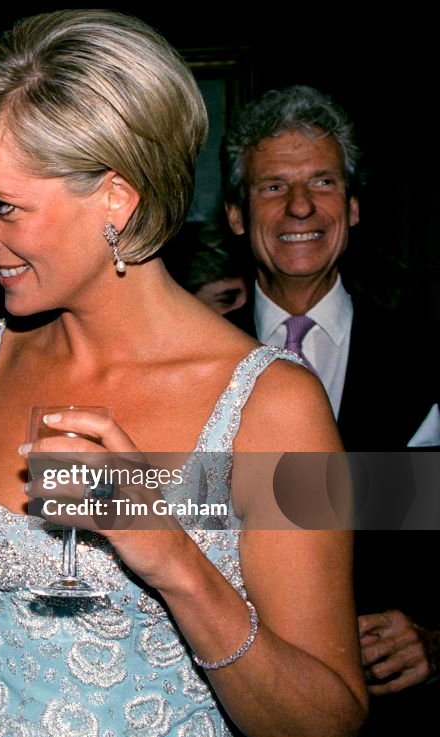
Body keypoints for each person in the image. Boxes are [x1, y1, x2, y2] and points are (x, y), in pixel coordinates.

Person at [0, 11, 368, 736]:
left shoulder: (274, 407)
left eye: (3, 206)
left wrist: (174, 559)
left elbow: (329, 721)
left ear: (116, 198)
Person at [223, 85, 439, 732]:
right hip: (224, 702)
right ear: (235, 214)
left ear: (351, 204)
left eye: (321, 181)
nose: (298, 206)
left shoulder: (429, 359)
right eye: (271, 187)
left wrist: (438, 635)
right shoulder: (186, 361)